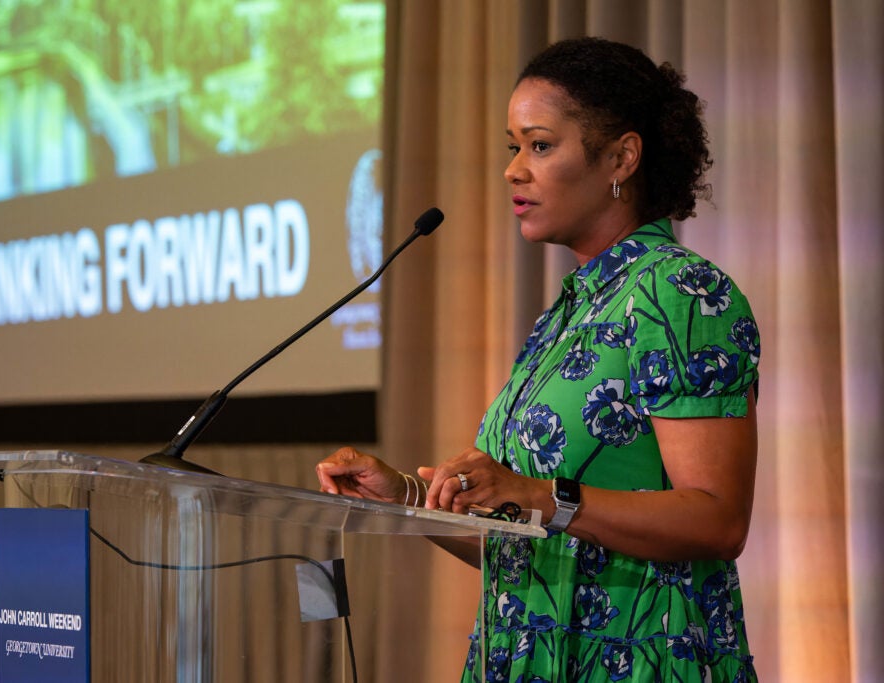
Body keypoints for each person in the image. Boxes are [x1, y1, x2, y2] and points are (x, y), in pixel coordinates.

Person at [316, 36, 760, 682]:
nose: (513, 169)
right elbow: (527, 547)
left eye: (540, 145)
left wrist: (542, 495)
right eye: (512, 147)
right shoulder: (570, 314)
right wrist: (407, 495)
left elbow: (720, 517)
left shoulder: (684, 295)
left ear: (622, 157)